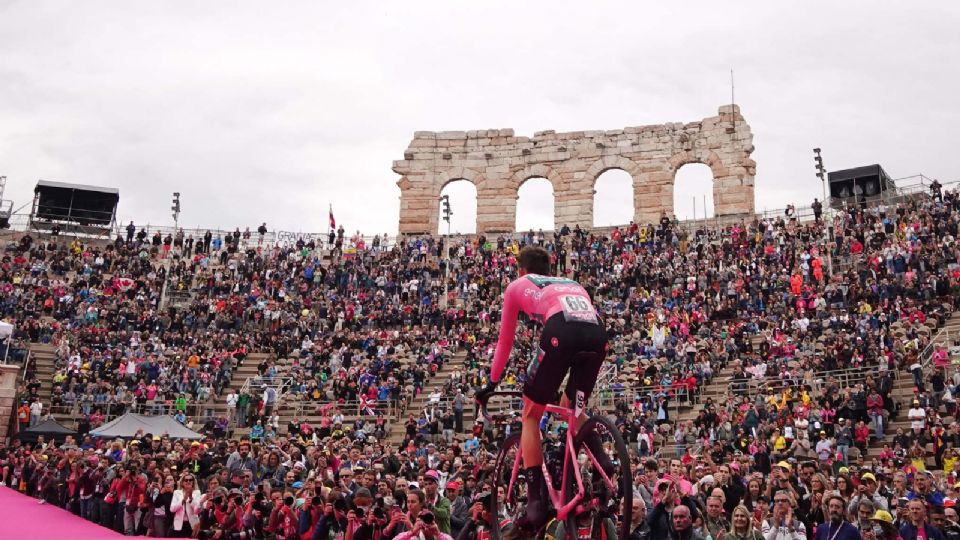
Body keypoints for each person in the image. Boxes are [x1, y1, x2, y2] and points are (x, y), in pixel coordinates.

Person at [475, 246, 610, 531]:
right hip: (597, 334)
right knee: (572, 407)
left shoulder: (517, 286)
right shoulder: (572, 283)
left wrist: (492, 383)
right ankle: (604, 464)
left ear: (521, 270)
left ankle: (535, 502)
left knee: (530, 414)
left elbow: (505, 342)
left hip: (561, 331)